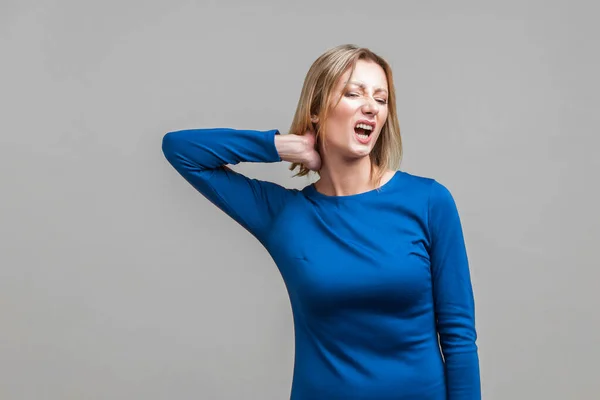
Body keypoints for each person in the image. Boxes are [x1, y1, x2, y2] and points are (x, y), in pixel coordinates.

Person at [162, 44, 481, 399]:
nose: (371, 107)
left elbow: (459, 336)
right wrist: (281, 146)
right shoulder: (284, 214)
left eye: (381, 98)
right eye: (353, 93)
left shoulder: (429, 202)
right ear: (316, 110)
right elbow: (181, 150)